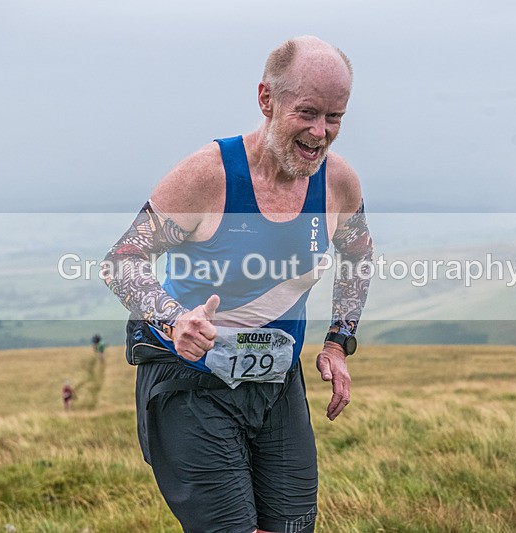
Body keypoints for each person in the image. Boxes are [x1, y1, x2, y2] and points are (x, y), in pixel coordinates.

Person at [103, 36, 372, 533]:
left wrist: (338, 341)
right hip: (190, 381)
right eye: (308, 112)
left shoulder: (338, 183)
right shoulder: (209, 175)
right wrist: (171, 316)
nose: (320, 133)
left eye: (334, 117)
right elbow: (122, 259)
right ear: (267, 100)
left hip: (276, 384)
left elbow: (359, 254)